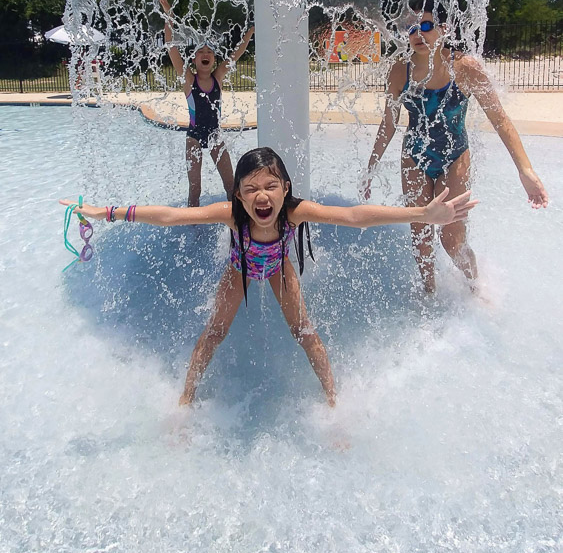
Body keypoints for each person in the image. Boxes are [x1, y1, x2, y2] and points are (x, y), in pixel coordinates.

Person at [61, 146, 476, 410]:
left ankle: (333, 401)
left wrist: (422, 214)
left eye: (270, 186)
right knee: (215, 332)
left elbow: (355, 217)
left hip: (278, 268)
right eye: (250, 188)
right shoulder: (233, 215)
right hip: (240, 269)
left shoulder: (295, 210)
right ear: (238, 195)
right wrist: (107, 212)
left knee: (305, 331)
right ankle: (185, 400)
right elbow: (171, 217)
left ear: (285, 188)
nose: (262, 196)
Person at [364, 0, 548, 294]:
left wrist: (524, 170)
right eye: (411, 28)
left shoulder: (465, 68)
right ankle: (429, 293)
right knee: (420, 235)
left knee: (451, 239)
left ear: (444, 29)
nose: (418, 34)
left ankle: (475, 287)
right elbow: (389, 123)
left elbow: (500, 120)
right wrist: (370, 167)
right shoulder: (400, 71)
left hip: (454, 157)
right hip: (414, 156)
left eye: (426, 25)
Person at [159, 0, 254, 205]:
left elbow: (236, 55)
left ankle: (235, 224)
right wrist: (169, 16)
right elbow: (171, 46)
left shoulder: (218, 77)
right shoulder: (188, 80)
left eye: (209, 52)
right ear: (194, 60)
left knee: (231, 185)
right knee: (195, 189)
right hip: (193, 137)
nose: (205, 54)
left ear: (214, 59)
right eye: (201, 52)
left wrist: (249, 34)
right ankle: (192, 229)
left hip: (215, 136)